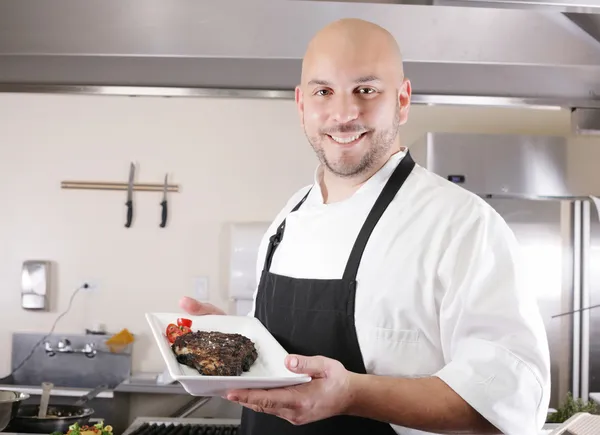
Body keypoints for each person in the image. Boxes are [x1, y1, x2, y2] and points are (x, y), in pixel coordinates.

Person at [180, 18, 551, 435]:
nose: (344, 114)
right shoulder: (289, 217)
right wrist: (236, 340)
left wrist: (356, 394)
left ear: (403, 100)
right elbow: (282, 365)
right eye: (324, 92)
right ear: (302, 104)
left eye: (367, 90)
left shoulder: (462, 225)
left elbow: (510, 400)